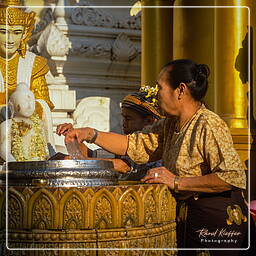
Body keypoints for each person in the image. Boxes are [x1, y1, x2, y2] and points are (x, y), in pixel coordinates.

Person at [57, 59, 251, 255]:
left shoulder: (209, 124)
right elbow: (132, 145)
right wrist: (90, 133)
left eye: (160, 87)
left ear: (180, 90)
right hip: (189, 219)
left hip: (217, 221)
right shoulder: (169, 125)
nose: (157, 94)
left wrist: (176, 182)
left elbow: (231, 176)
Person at [0, 0, 54, 122]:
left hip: (24, 129)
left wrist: (23, 107)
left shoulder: (34, 64)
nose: (10, 40)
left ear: (24, 34)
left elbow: (44, 104)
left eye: (16, 32)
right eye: (3, 32)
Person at [0, 83, 55, 161]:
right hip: (17, 167)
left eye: (32, 101)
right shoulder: (7, 125)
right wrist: (17, 165)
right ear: (12, 106)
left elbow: (45, 150)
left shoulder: (39, 125)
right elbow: (4, 151)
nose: (29, 105)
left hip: (38, 165)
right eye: (24, 101)